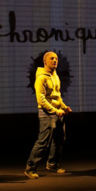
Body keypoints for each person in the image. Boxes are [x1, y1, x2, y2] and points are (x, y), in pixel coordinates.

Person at [24, 51, 72, 179]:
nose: (55, 60)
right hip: (46, 113)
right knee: (43, 142)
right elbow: (41, 100)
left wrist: (64, 107)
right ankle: (30, 168)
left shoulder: (55, 76)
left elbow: (57, 96)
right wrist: (56, 111)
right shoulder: (41, 77)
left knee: (59, 139)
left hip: (57, 112)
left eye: (56, 58)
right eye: (52, 58)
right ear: (45, 61)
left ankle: (52, 164)